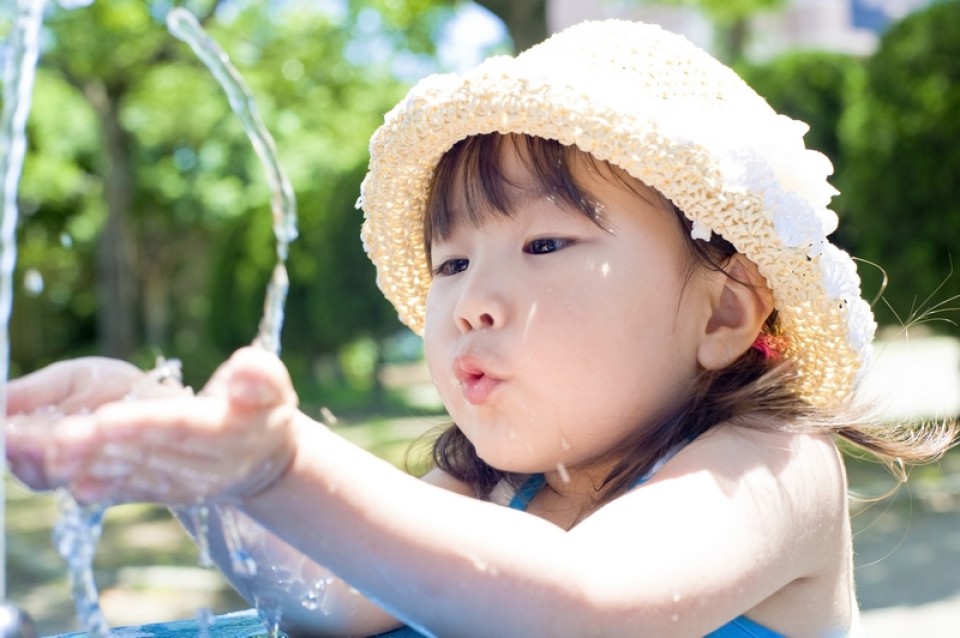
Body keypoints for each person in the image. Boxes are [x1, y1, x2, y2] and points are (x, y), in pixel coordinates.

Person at [5, 19, 956, 638]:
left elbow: (580, 605)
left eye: (544, 243)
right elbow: (321, 600)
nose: (470, 299)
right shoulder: (490, 480)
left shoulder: (772, 466)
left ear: (720, 312)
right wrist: (191, 465)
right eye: (453, 262)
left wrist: (285, 464)